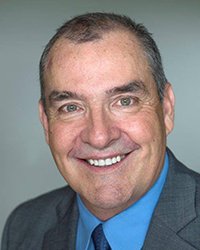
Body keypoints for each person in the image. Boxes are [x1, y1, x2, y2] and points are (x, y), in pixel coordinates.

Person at [1, 12, 200, 250]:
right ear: (46, 122)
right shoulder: (24, 226)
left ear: (166, 109)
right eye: (71, 107)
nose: (99, 137)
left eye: (124, 101)